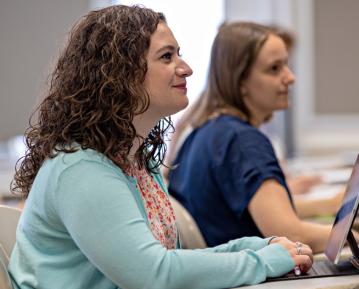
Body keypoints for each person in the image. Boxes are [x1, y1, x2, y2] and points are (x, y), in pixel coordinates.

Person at [8, 5, 313, 289]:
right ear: (120, 75)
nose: (187, 68)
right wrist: (262, 261)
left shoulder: (137, 161)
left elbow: (171, 259)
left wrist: (254, 246)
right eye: (167, 57)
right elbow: (154, 274)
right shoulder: (80, 170)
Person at [167, 21, 343, 253]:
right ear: (240, 81)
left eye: (286, 65)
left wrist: (332, 208)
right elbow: (292, 234)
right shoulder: (242, 141)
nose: (290, 77)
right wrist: (351, 236)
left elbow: (262, 213)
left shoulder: (208, 131)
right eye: (274, 69)